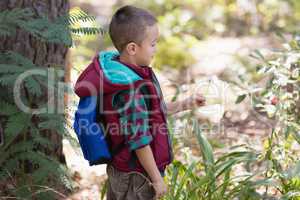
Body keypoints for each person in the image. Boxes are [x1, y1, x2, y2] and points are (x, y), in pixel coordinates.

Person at [75, 5, 206, 200]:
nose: (156, 49)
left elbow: (153, 113)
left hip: (130, 171)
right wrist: (156, 179)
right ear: (133, 48)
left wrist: (186, 103)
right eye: (153, 44)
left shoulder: (126, 73)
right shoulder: (129, 89)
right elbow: (139, 141)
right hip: (135, 176)